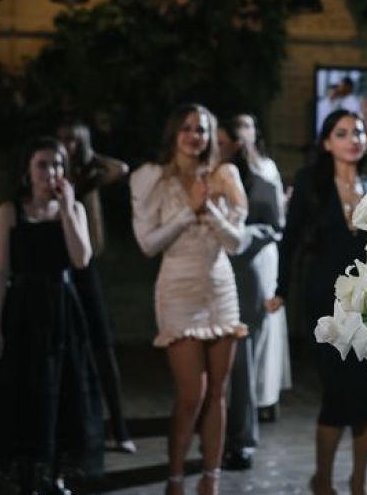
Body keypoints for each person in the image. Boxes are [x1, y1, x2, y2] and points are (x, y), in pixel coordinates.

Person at [129, 103, 248, 495]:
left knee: (218, 391)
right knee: (191, 394)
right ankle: (175, 478)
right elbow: (148, 244)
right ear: (173, 133)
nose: (194, 135)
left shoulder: (224, 176)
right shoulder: (153, 178)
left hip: (220, 287)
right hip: (178, 289)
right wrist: (188, 212)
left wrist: (209, 209)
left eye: (201, 129)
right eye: (186, 128)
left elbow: (236, 243)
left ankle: (210, 478)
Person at [268, 109, 367, 495]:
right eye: (342, 133)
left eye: (358, 132)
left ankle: (359, 482)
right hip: (325, 304)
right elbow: (289, 241)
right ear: (326, 143)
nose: (353, 139)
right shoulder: (310, 183)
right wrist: (280, 290)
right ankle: (322, 479)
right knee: (337, 393)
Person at [0, 138, 104, 494]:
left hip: (61, 305)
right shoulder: (10, 211)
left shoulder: (74, 208)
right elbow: (0, 272)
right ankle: (28, 472)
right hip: (22, 307)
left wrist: (66, 210)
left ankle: (55, 473)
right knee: (24, 389)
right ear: (28, 170)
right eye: (43, 164)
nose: (51, 172)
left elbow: (81, 259)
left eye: (58, 164)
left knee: (63, 389)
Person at [56, 119, 137, 453]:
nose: (69, 146)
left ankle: (119, 428)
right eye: (64, 140)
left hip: (86, 267)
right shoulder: (56, 179)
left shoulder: (89, 177)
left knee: (102, 345)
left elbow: (121, 169)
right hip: (58, 266)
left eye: (75, 141)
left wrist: (92, 156)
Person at [215, 114, 289, 471]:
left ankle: (240, 439)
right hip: (206, 272)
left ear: (235, 145)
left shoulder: (259, 182)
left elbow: (276, 226)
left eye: (220, 142)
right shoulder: (198, 180)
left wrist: (241, 236)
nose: (213, 148)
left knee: (242, 362)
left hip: (246, 271)